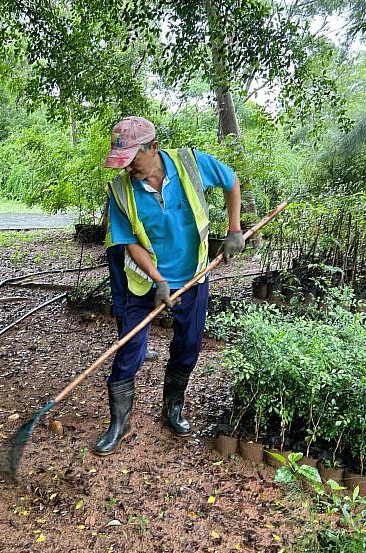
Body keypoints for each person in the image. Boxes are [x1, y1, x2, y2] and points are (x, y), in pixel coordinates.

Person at [94, 116, 244, 456]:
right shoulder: (120, 190)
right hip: (143, 279)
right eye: (122, 161)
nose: (127, 167)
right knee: (130, 347)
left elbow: (230, 179)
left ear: (154, 148)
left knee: (189, 343)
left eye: (133, 159)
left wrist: (235, 229)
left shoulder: (190, 164)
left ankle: (172, 408)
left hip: (193, 274)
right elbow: (129, 241)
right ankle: (119, 422)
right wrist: (158, 280)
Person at [101, 193, 158, 361]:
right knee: (139, 292)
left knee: (119, 295)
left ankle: (124, 343)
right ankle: (139, 348)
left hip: (113, 244)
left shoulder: (114, 190)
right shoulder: (134, 188)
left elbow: (105, 222)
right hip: (132, 245)